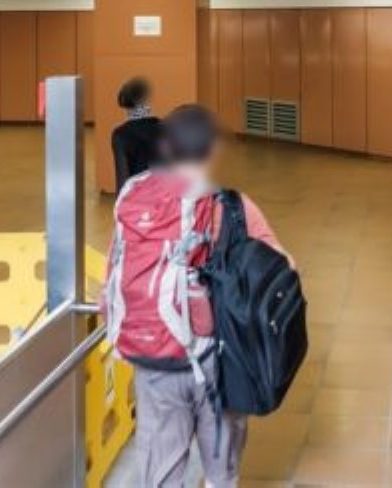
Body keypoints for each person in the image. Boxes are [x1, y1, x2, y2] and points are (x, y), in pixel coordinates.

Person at [108, 105, 286, 488]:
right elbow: (282, 269)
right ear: (213, 150)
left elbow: (116, 264)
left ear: (165, 147)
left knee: (161, 470)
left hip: (153, 357)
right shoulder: (232, 207)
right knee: (221, 472)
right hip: (218, 361)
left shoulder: (133, 196)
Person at [110, 76, 163, 192]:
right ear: (147, 98)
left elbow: (122, 180)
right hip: (163, 195)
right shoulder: (164, 127)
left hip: (137, 197)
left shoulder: (120, 134)